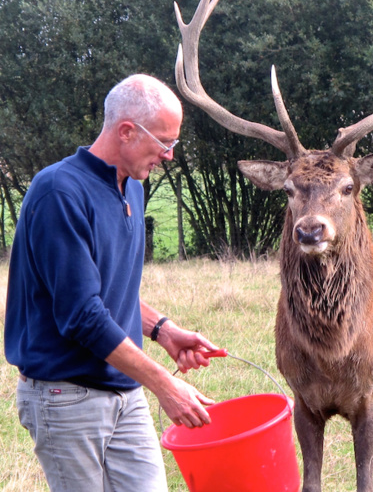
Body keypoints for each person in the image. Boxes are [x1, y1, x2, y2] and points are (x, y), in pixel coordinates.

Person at [4, 74, 219, 492]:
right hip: (66, 399)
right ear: (126, 131)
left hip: (125, 390)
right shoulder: (59, 193)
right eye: (164, 143)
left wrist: (163, 330)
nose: (170, 156)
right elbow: (82, 314)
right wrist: (164, 383)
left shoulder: (132, 189)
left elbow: (106, 290)